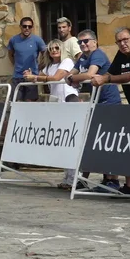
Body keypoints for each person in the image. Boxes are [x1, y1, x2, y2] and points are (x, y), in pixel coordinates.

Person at [94, 27, 130, 196]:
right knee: (129, 145)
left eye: (125, 40)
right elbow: (111, 72)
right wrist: (102, 78)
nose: (123, 44)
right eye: (119, 41)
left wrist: (107, 79)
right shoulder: (121, 54)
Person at [67, 29, 121, 192]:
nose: (83, 44)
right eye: (80, 42)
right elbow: (70, 75)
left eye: (86, 41)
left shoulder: (98, 55)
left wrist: (73, 79)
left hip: (109, 102)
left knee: (107, 142)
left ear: (95, 42)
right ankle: (84, 179)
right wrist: (73, 77)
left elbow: (89, 75)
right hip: (96, 102)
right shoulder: (83, 57)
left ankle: (112, 181)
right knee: (92, 141)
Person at [25, 40, 80, 190]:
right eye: (51, 49)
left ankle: (75, 178)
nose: (54, 50)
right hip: (58, 105)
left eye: (57, 48)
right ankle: (68, 178)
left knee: (72, 142)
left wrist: (36, 77)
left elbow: (56, 78)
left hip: (69, 102)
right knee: (64, 143)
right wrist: (30, 76)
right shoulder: (49, 66)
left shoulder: (67, 62)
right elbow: (39, 78)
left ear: (62, 49)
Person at [8, 16, 47, 101]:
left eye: (29, 26)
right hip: (17, 77)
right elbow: (10, 54)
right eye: (24, 26)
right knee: (16, 103)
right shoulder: (13, 40)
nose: (27, 28)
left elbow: (46, 55)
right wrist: (16, 65)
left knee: (30, 103)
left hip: (32, 77)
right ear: (20, 27)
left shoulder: (37, 40)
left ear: (32, 27)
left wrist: (39, 67)